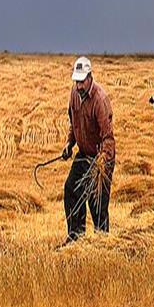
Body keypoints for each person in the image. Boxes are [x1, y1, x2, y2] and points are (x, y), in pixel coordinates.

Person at [60, 56, 116, 245]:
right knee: (71, 190)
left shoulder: (100, 100)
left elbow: (108, 138)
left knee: (97, 202)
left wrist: (102, 164)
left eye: (82, 81)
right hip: (83, 154)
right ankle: (76, 238)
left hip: (101, 158)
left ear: (90, 77)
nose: (79, 86)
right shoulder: (74, 95)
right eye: (76, 81)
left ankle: (103, 243)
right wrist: (69, 144)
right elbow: (73, 123)